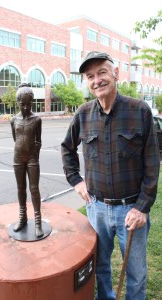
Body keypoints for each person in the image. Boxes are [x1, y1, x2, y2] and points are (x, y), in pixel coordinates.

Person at [61, 52, 160, 299]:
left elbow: (152, 162)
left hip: (132, 210)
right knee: (100, 266)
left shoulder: (140, 111)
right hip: (97, 209)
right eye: (90, 76)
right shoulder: (83, 114)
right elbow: (67, 148)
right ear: (86, 81)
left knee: (136, 272)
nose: (97, 80)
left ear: (115, 74)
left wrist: (143, 207)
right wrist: (76, 180)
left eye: (102, 72)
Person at [10, 83, 44, 238]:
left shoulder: (37, 120)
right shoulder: (13, 120)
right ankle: (22, 218)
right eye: (22, 104)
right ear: (18, 103)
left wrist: (35, 151)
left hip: (32, 158)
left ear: (32, 102)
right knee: (20, 188)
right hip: (18, 157)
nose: (25, 107)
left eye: (29, 104)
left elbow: (39, 141)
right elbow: (15, 138)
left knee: (34, 189)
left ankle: (38, 221)